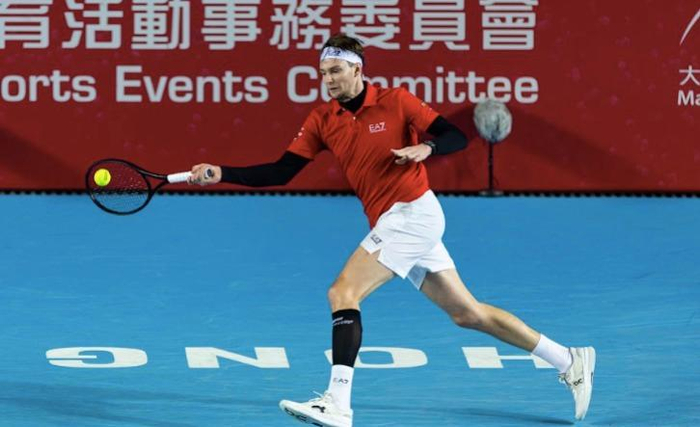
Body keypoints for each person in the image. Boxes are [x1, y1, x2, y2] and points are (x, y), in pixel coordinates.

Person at [188, 34, 595, 427]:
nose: (328, 80)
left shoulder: (396, 101)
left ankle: (337, 405)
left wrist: (426, 148)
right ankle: (568, 359)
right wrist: (221, 172)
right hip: (393, 221)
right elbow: (280, 172)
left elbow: (454, 136)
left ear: (357, 69)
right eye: (323, 73)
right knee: (467, 314)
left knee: (343, 292)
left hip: (412, 213)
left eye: (335, 71)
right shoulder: (323, 119)